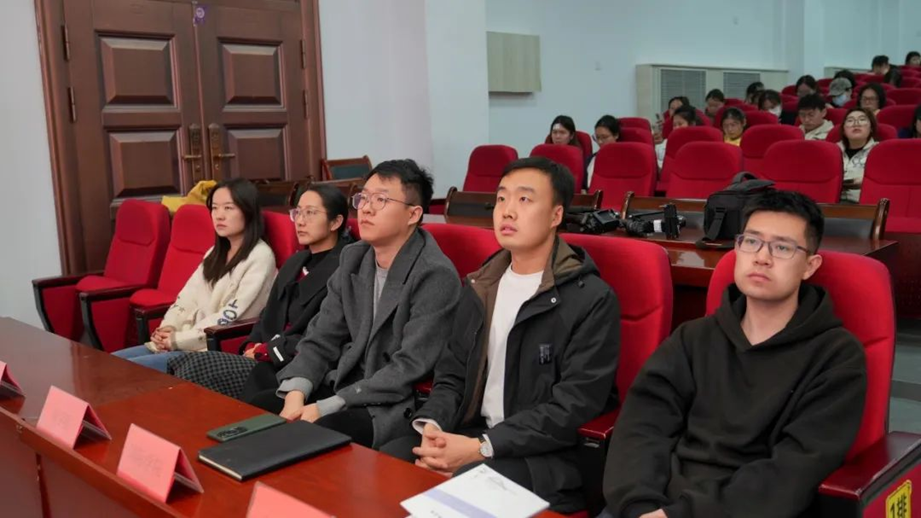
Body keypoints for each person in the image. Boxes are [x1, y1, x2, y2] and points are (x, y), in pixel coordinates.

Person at [602, 190, 867, 518]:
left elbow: (794, 472)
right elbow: (642, 426)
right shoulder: (693, 337)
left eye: (782, 247)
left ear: (809, 266)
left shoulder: (837, 357)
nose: (762, 257)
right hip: (656, 505)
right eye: (751, 241)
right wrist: (639, 505)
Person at [381, 156, 620, 514]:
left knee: (465, 484)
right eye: (502, 198)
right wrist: (434, 427)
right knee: (392, 459)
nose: (507, 211)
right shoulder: (481, 285)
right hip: (475, 433)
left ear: (556, 215)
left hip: (547, 455)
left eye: (524, 199)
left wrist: (481, 448)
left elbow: (572, 406)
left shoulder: (591, 299)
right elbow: (451, 374)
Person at [274, 159, 462, 449]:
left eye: (381, 200)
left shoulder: (435, 274)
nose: (366, 208)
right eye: (363, 198)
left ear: (413, 214)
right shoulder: (354, 257)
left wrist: (327, 406)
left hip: (388, 402)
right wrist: (297, 393)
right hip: (340, 382)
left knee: (315, 434)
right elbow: (322, 336)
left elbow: (408, 367)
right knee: (265, 406)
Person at [165, 185, 351, 402]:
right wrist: (251, 344)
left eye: (310, 213)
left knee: (199, 367)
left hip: (292, 365)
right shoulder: (296, 262)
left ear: (335, 222)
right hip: (262, 356)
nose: (300, 221)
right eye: (298, 212)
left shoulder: (344, 268)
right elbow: (266, 315)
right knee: (179, 364)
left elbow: (324, 333)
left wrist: (265, 351)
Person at [113, 178, 276, 371]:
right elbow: (187, 297)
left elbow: (233, 316)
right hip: (183, 343)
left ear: (248, 211)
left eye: (228, 208)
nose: (219, 215)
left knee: (126, 372)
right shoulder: (214, 253)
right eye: (214, 208)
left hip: (211, 350)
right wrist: (169, 327)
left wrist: (177, 339)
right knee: (110, 363)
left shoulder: (260, 256)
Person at [838, 108, 879, 203]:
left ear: (871, 128)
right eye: (850, 120)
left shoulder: (879, 151)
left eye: (862, 119)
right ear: (843, 130)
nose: (856, 124)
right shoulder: (832, 150)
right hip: (831, 203)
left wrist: (866, 182)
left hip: (864, 204)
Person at [585, 115, 621, 190]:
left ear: (616, 135)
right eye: (597, 138)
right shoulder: (590, 160)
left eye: (604, 137)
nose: (600, 142)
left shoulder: (625, 159)